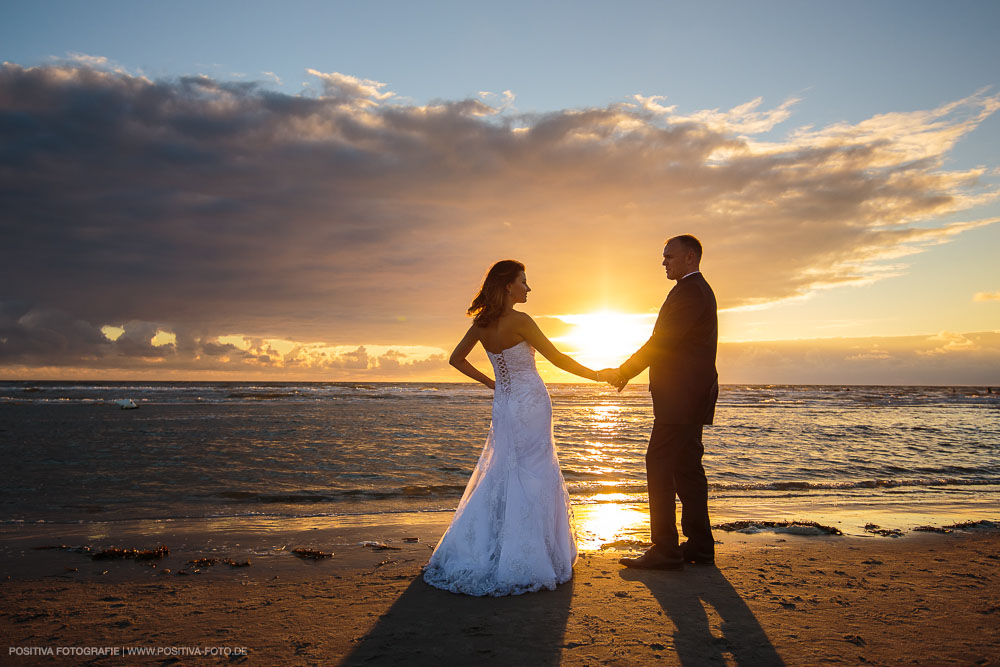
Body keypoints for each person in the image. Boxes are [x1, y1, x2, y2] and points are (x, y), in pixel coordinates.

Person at [422, 259, 615, 596]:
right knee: (534, 470)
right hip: (531, 402)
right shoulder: (521, 321)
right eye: (524, 281)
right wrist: (600, 375)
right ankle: (528, 554)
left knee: (503, 469)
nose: (529, 287)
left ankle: (491, 545)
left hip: (505, 404)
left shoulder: (482, 323)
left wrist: (491, 383)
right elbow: (559, 360)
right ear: (508, 285)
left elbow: (456, 358)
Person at [606, 234, 719, 570]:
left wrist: (625, 371)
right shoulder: (695, 290)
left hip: (682, 395)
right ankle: (699, 545)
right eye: (663, 257)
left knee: (658, 463)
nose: (664, 263)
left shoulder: (690, 291)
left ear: (690, 257)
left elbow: (662, 341)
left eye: (669, 257)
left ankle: (666, 548)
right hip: (690, 394)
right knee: (687, 468)